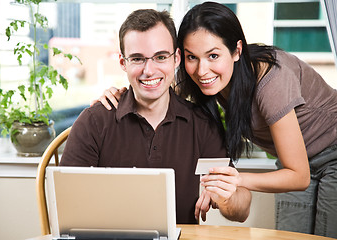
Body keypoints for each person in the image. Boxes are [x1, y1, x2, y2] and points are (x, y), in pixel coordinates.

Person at [96, 2, 337, 238]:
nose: (202, 70)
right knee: (290, 235)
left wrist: (229, 180)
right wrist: (121, 95)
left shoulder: (271, 80)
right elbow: (156, 94)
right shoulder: (197, 78)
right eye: (192, 57)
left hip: (332, 154)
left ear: (237, 51)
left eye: (213, 55)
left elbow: (299, 175)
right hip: (293, 161)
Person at [60, 8, 251, 225]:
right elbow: (65, 204)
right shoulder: (94, 122)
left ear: (176, 58)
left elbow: (242, 209)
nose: (149, 70)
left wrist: (224, 197)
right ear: (123, 63)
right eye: (137, 59)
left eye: (160, 57)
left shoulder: (201, 125)